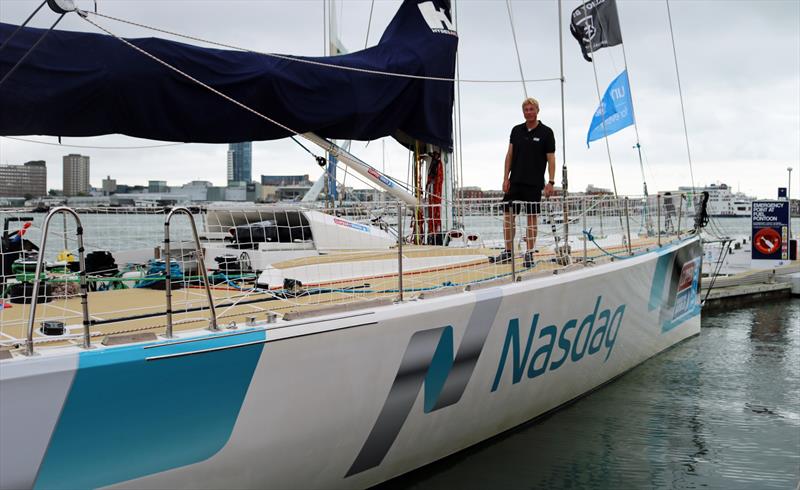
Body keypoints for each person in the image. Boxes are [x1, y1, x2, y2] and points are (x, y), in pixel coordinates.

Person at [492, 97, 556, 268]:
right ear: (523, 112)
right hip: (515, 182)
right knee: (508, 217)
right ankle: (507, 252)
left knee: (531, 219)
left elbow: (551, 158)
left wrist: (550, 181)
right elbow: (510, 155)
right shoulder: (516, 130)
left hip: (534, 183)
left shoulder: (546, 133)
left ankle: (529, 253)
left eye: (531, 109)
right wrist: (505, 178)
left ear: (537, 110)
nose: (529, 112)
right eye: (526, 110)